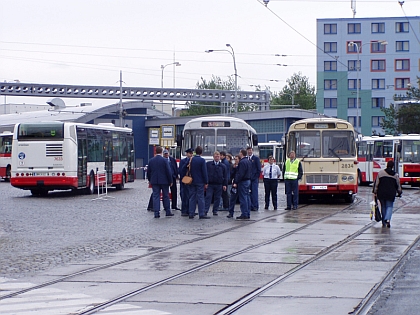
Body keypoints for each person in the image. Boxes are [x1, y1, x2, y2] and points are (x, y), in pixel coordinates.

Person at [373, 160, 402, 228]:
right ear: (392, 166)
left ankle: (384, 222)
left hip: (381, 193)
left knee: (383, 206)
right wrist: (399, 192)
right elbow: (398, 185)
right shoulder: (395, 175)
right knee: (389, 206)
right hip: (391, 194)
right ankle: (388, 219)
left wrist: (375, 192)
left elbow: (376, 183)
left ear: (387, 165)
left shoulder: (380, 173)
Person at [147, 146, 174, 218]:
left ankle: (156, 212)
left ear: (155, 151)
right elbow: (168, 171)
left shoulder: (151, 160)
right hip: (164, 181)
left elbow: (149, 172)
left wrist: (150, 180)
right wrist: (170, 180)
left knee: (156, 196)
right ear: (161, 152)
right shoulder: (164, 160)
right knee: (166, 196)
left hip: (155, 181)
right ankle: (167, 211)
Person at [188, 146, 209, 219]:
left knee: (192, 197)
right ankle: (201, 213)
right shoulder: (202, 160)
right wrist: (206, 181)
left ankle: (191, 213)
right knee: (200, 197)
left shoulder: (191, 159)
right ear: (201, 152)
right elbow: (204, 172)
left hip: (192, 181)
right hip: (200, 181)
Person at [205, 151, 228, 216]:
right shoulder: (208, 164)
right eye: (216, 156)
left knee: (217, 198)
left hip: (219, 184)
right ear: (213, 157)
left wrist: (224, 184)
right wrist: (206, 182)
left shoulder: (223, 166)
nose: (217, 157)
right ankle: (205, 210)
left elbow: (225, 176)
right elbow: (206, 174)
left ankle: (215, 210)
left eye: (218, 156)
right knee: (208, 197)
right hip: (210, 184)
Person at [233, 149, 252, 220]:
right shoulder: (249, 161)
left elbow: (240, 173)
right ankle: (247, 213)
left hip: (243, 181)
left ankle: (244, 213)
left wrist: (236, 182)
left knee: (243, 197)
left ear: (241, 154)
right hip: (248, 180)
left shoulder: (242, 162)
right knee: (247, 197)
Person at [179, 148, 194, 217]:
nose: (191, 154)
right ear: (187, 154)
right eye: (190, 153)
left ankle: (190, 209)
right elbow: (181, 170)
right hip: (184, 180)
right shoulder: (183, 161)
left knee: (190, 196)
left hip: (191, 180)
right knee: (184, 195)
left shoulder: (194, 160)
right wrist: (188, 162)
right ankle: (184, 210)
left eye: (191, 153)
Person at [247, 146, 261, 212]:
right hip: (247, 178)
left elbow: (259, 169)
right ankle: (250, 205)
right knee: (248, 193)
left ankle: (255, 206)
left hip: (254, 179)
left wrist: (256, 177)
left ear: (252, 151)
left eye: (250, 150)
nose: (249, 151)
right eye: (248, 150)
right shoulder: (246, 159)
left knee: (254, 193)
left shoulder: (256, 158)